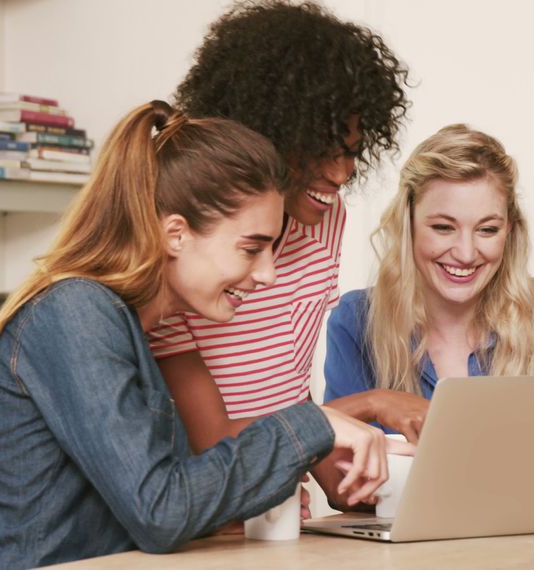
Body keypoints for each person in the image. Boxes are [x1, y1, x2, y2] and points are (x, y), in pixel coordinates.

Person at [0, 101, 409, 570]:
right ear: (176, 234)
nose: (267, 274)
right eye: (251, 248)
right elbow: (159, 510)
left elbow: (147, 501)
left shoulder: (125, 323)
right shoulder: (74, 313)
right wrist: (313, 424)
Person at [322, 123, 534, 520]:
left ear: (510, 231)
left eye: (487, 229)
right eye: (443, 227)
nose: (466, 253)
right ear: (408, 225)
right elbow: (339, 491)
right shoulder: (356, 321)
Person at [146, 0, 409, 511]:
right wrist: (369, 406)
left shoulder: (326, 220)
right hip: (208, 512)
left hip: (283, 512)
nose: (341, 173)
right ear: (268, 131)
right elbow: (210, 437)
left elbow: (284, 388)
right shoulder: (189, 250)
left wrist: (332, 467)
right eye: (323, 147)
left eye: (352, 151)